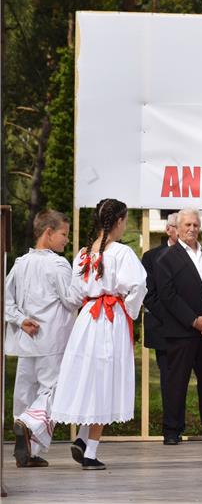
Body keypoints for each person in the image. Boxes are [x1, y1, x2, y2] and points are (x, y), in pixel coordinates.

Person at [50, 199, 147, 470]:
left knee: (91, 377)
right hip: (109, 318)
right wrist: (129, 307)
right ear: (118, 221)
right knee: (105, 379)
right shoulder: (121, 253)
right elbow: (138, 285)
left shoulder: (83, 253)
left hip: (87, 320)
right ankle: (90, 451)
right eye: (125, 220)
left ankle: (82, 438)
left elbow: (74, 293)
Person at [6, 210, 82, 467]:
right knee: (53, 390)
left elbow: (6, 299)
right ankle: (28, 425)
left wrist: (19, 319)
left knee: (26, 393)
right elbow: (71, 299)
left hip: (27, 340)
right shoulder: (59, 265)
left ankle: (28, 451)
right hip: (54, 339)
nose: (66, 241)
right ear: (48, 233)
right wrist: (82, 276)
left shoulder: (20, 263)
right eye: (64, 234)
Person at [155, 208, 202, 445]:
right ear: (176, 229)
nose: (191, 229)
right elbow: (168, 297)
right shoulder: (166, 259)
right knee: (176, 381)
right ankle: (171, 430)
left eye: (195, 225)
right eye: (187, 225)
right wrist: (193, 320)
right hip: (182, 331)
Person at [141, 212, 179, 428]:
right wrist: (173, 315)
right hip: (164, 326)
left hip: (190, 327)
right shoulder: (151, 257)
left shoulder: (197, 255)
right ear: (169, 229)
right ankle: (171, 427)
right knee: (167, 377)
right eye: (179, 226)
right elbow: (149, 293)